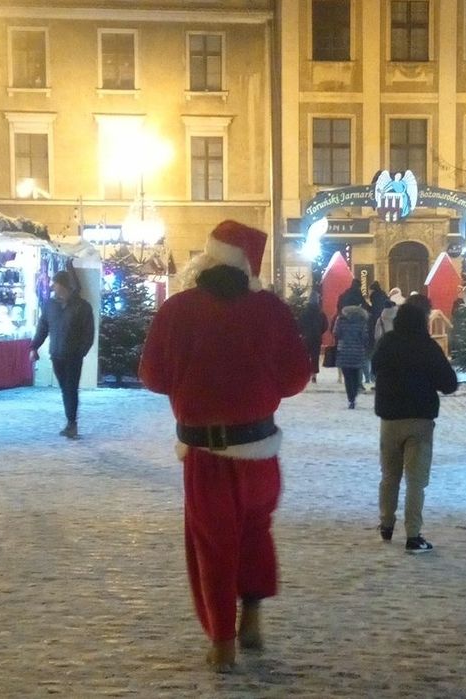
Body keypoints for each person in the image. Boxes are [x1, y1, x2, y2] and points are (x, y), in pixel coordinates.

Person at [139, 220, 311, 672]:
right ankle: (251, 619)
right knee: (256, 533)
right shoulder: (270, 311)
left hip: (207, 453)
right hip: (260, 451)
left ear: (208, 259)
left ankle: (223, 642)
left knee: (213, 546)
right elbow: (296, 378)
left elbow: (152, 376)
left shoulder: (177, 310)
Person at [372, 304, 459, 551]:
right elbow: (449, 384)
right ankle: (413, 535)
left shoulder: (388, 342)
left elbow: (374, 366)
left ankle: (386, 525)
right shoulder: (428, 346)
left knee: (389, 476)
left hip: (390, 419)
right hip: (420, 420)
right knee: (416, 481)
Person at [30, 269, 94, 439]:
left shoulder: (82, 306)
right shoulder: (50, 305)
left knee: (70, 389)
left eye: (55, 284)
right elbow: (43, 327)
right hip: (56, 354)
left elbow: (89, 333)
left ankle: (71, 423)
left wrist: (81, 351)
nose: (53, 287)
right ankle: (70, 422)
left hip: (73, 356)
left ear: (63, 285)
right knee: (65, 389)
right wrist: (34, 347)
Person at [332, 302, 369, 408]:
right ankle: (354, 392)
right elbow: (365, 337)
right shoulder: (362, 321)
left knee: (347, 377)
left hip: (344, 351)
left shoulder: (340, 320)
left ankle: (351, 398)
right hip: (358, 352)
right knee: (356, 374)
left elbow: (336, 333)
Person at [297, 292, 327, 382]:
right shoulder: (321, 313)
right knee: (315, 356)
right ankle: (314, 375)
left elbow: (299, 324)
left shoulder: (304, 313)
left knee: (305, 356)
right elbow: (325, 325)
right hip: (316, 338)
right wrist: (319, 332)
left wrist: (302, 333)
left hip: (306, 337)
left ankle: (304, 374)